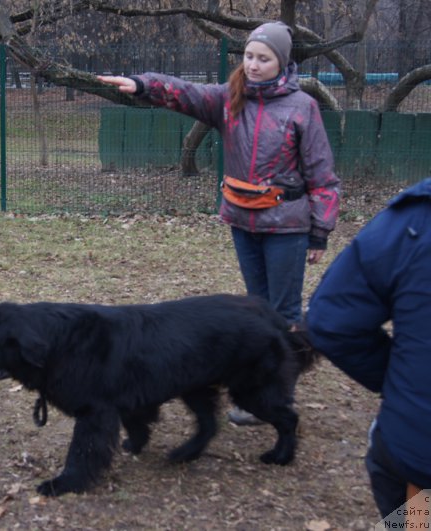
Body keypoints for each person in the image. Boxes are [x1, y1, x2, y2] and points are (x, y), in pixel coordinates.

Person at [98, 21, 340, 425]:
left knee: (284, 311)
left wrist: (320, 230)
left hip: (287, 226)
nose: (254, 65)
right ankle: (259, 383)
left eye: (264, 59)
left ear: (282, 62)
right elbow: (182, 92)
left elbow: (322, 173)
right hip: (242, 220)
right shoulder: (228, 99)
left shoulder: (302, 107)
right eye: (249, 56)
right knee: (258, 309)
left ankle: (277, 393)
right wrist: (142, 84)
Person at [306, 177, 431, 520]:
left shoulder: (416, 219)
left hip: (420, 457)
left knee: (414, 507)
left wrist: (398, 383)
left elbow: (332, 322)